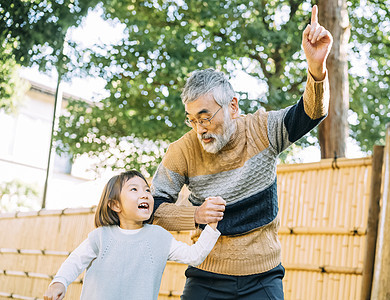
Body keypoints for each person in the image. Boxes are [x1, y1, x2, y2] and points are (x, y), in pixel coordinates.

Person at [150, 5, 332, 299]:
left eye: (206, 117)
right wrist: (195, 214)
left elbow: (311, 113)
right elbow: (153, 209)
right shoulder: (182, 150)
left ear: (232, 106)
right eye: (192, 119)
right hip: (206, 276)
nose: (200, 128)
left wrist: (316, 69)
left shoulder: (262, 129)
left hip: (263, 276)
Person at [43, 170, 221, 300]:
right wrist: (59, 281)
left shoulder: (160, 237)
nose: (144, 195)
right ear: (115, 205)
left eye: (147, 190)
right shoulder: (100, 237)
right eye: (134, 190)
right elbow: (75, 261)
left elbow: (194, 255)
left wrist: (211, 226)